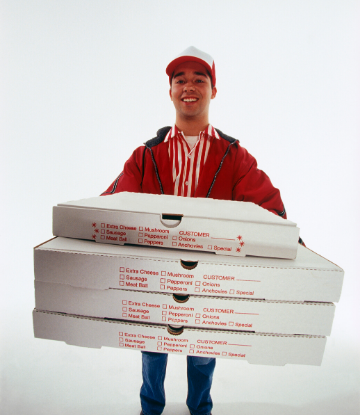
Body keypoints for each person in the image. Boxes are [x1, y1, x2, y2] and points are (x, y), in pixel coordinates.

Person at [102, 46, 288, 415]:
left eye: (199, 79)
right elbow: (113, 202)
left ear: (213, 90)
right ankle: (150, 407)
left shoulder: (234, 156)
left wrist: (292, 243)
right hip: (154, 276)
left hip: (209, 277)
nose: (189, 86)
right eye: (180, 79)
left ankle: (200, 408)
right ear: (170, 90)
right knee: (153, 346)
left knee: (203, 349)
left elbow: (268, 205)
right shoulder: (147, 155)